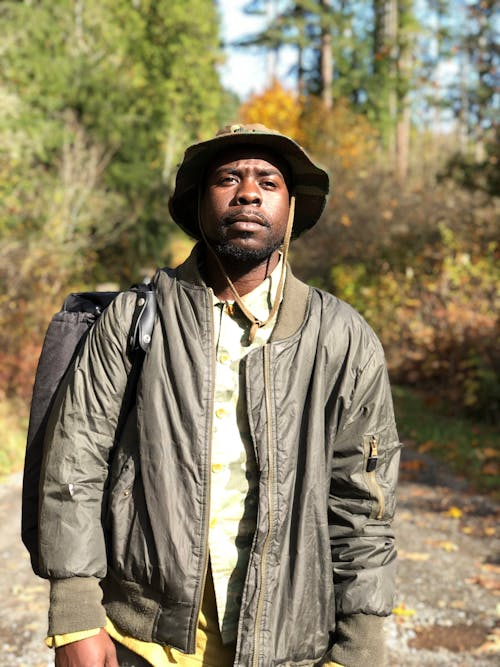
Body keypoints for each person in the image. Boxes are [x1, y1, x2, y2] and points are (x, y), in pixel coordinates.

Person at [37, 124, 401, 667]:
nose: (248, 192)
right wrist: (74, 618)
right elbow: (74, 465)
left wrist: (361, 647)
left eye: (268, 181)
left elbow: (363, 503)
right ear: (199, 202)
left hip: (293, 644)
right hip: (142, 639)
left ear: (292, 205)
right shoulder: (135, 319)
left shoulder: (342, 337)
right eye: (228, 178)